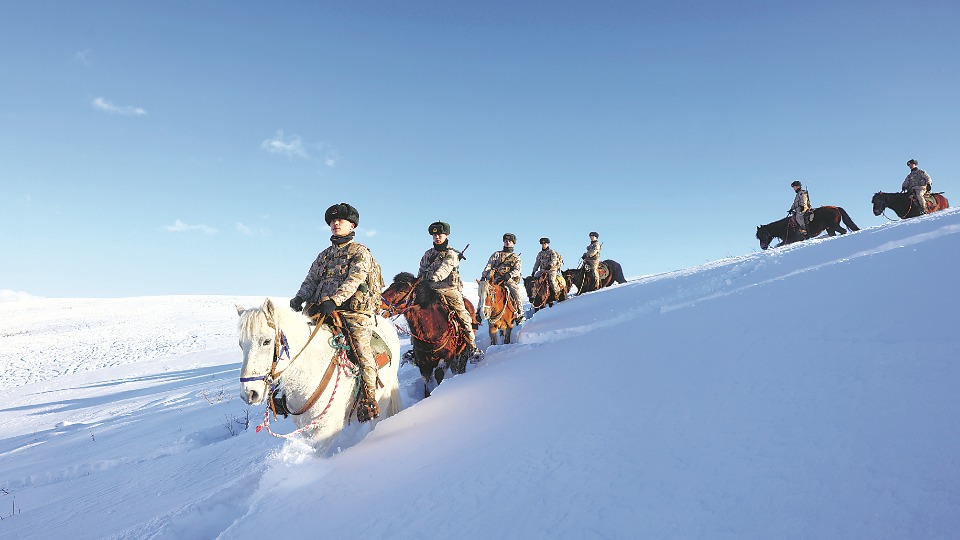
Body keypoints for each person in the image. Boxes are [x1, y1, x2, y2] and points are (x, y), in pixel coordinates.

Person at [289, 202, 383, 422]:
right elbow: (311, 280)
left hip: (352, 312)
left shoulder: (360, 252)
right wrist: (299, 297)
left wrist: (335, 300)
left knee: (361, 351)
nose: (335, 223)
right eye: (332, 221)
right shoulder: (323, 255)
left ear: (352, 225)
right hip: (321, 310)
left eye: (340, 220)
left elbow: (355, 279)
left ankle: (369, 399)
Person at [417, 221, 480, 358]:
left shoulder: (451, 254)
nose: (437, 237)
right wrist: (419, 283)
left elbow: (444, 269)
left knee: (462, 314)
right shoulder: (428, 254)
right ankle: (415, 348)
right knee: (416, 313)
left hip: (448, 289)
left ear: (446, 235)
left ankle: (472, 346)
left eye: (439, 234)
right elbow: (421, 271)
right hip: (430, 289)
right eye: (434, 235)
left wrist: (432, 280)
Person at [479, 233, 525, 324]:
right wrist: (484, 276)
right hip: (495, 279)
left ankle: (519, 313)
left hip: (508, 280)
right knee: (484, 290)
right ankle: (479, 312)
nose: (507, 242)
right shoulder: (496, 254)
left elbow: (517, 270)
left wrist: (509, 275)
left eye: (510, 241)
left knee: (515, 290)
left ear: (513, 243)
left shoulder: (516, 257)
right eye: (506, 241)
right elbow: (489, 266)